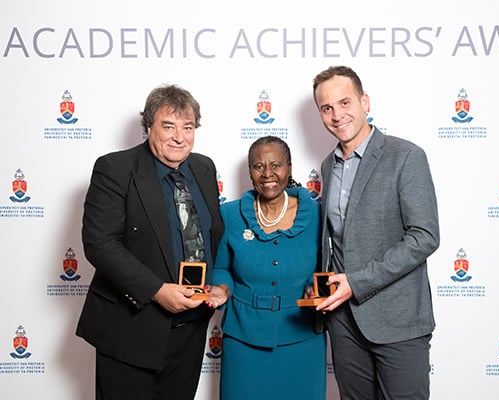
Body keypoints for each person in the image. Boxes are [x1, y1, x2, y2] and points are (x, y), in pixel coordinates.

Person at [76, 84, 224, 400]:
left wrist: (218, 285)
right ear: (148, 126)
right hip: (132, 329)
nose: (179, 137)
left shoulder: (203, 167)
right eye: (168, 126)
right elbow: (100, 243)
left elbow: (212, 235)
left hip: (191, 328)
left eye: (188, 127)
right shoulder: (115, 168)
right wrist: (157, 291)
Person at [312, 65, 440, 400]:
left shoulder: (406, 156)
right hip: (344, 323)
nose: (337, 115)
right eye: (327, 108)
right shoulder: (329, 166)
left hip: (397, 320)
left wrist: (357, 281)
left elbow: (424, 236)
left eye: (344, 102)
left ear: (364, 102)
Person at [209, 136, 326, 400]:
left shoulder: (318, 215)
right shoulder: (229, 214)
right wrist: (223, 288)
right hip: (243, 338)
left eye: (276, 165)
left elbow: (325, 267)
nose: (267, 174)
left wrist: (313, 288)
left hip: (302, 339)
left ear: (290, 168)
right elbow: (222, 267)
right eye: (258, 166)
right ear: (250, 171)